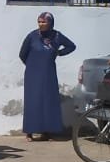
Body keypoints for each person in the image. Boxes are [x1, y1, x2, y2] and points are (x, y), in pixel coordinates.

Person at [19, 12, 76, 140]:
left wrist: (59, 53)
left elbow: (71, 46)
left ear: (50, 23)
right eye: (39, 22)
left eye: (44, 22)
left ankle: (47, 131)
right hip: (33, 74)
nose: (41, 24)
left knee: (48, 101)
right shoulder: (32, 36)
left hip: (49, 73)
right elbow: (22, 54)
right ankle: (29, 131)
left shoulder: (57, 36)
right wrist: (32, 65)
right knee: (33, 101)